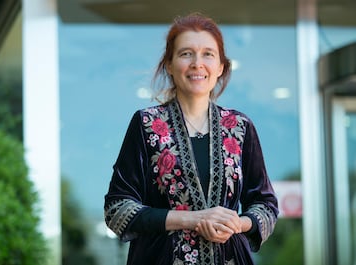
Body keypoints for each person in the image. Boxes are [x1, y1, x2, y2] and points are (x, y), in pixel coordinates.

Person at [104, 12, 278, 265]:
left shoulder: (240, 127)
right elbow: (117, 208)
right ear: (169, 65)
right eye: (186, 53)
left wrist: (237, 223)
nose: (198, 63)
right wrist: (192, 219)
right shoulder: (146, 124)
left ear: (220, 67)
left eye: (208, 54)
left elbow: (265, 205)